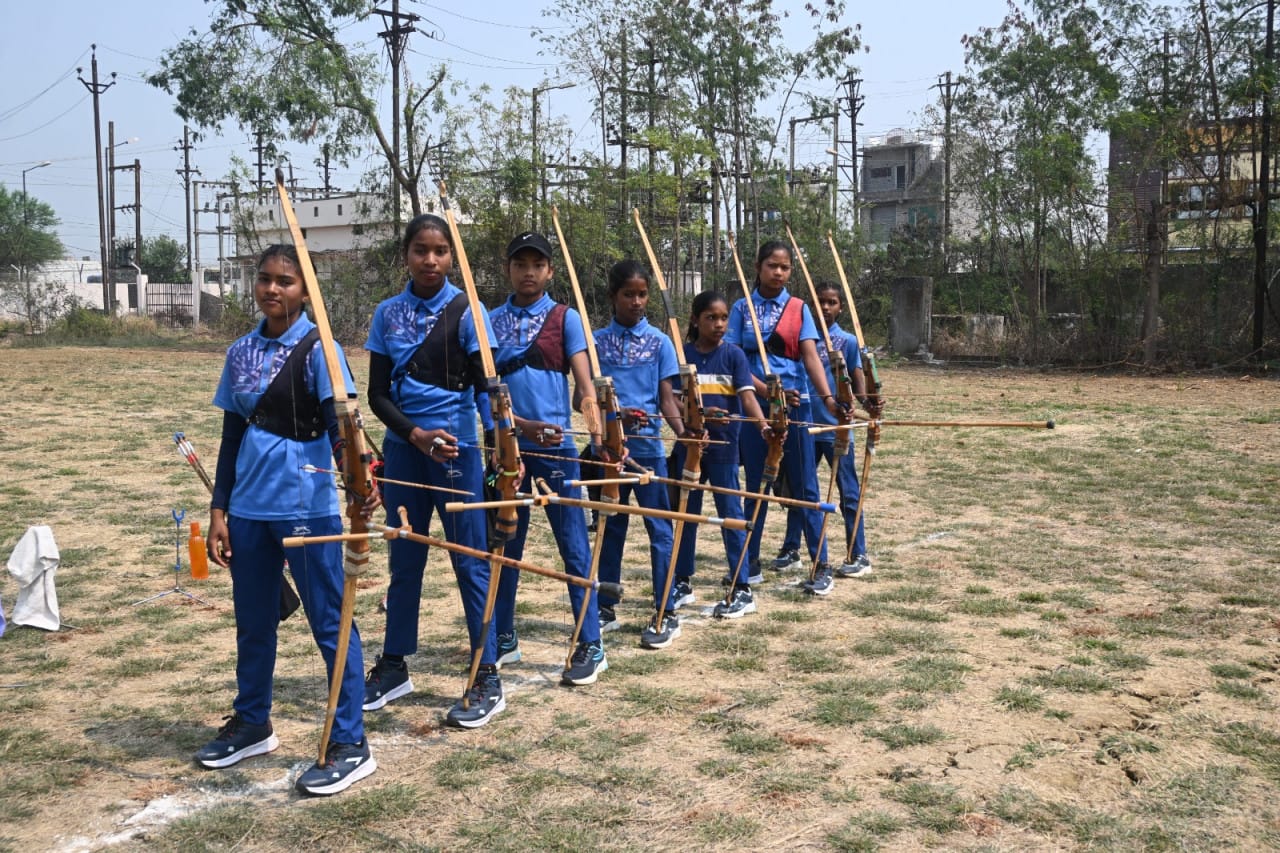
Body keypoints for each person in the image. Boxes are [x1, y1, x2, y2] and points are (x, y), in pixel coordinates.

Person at [197, 244, 378, 796]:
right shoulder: (240, 351)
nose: (273, 289)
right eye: (265, 279)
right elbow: (232, 436)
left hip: (307, 509)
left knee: (331, 624)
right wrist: (219, 510)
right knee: (254, 622)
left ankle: (349, 741)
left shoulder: (322, 349)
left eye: (286, 281)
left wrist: (360, 479)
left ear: (305, 291)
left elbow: (341, 427)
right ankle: (253, 722)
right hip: (248, 510)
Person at [362, 213, 504, 728]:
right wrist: (414, 434)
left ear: (450, 256)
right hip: (404, 450)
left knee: (470, 560)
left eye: (440, 251)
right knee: (405, 559)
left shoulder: (469, 310)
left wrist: (499, 443)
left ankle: (486, 672)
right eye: (420, 250)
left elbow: (488, 386)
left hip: (456, 452)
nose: (430, 260)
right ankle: (394, 664)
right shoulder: (387, 313)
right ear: (406, 255)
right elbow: (377, 394)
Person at [488, 231, 607, 685]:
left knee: (574, 546)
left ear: (551, 271)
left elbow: (585, 386)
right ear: (508, 269)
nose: (529, 272)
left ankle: (590, 641)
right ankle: (503, 636)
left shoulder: (565, 318)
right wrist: (518, 428)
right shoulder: (490, 320)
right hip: (508, 448)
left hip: (557, 450)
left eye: (537, 264)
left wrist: (598, 432)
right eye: (520, 264)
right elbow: (487, 390)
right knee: (505, 545)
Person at [724, 241, 848, 595]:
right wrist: (766, 391)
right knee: (756, 486)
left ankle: (820, 563)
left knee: (806, 485)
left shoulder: (799, 308)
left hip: (796, 406)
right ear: (758, 267)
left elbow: (810, 357)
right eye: (772, 266)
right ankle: (749, 562)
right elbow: (734, 361)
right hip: (755, 406)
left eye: (785, 267)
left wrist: (828, 398)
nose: (778, 272)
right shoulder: (741, 308)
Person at [594, 260, 688, 649]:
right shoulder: (596, 342)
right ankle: (605, 605)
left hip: (649, 451)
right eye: (628, 294)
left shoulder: (661, 342)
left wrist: (685, 435)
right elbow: (585, 398)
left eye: (642, 294)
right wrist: (614, 416)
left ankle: (666, 608)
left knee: (660, 529)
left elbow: (667, 399)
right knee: (610, 526)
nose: (636, 302)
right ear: (613, 296)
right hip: (610, 453)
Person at [668, 290, 771, 618]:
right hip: (690, 447)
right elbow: (673, 400)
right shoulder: (683, 355)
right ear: (695, 320)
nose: (719, 324)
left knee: (731, 514)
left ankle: (742, 585)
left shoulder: (734, 355)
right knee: (686, 514)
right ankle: (682, 580)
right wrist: (697, 416)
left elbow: (748, 397)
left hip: (725, 447)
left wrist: (763, 426)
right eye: (711, 317)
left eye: (724, 318)